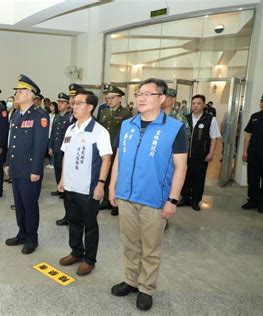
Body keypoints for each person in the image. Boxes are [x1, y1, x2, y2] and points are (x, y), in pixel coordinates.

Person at [109, 78, 188, 311]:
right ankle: (131, 281)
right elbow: (118, 158)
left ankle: (146, 288)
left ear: (161, 99)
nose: (141, 98)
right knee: (130, 244)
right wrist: (112, 187)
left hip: (154, 200)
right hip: (125, 196)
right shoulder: (127, 125)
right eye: (138, 94)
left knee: (151, 248)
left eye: (148, 94)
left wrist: (173, 200)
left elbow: (181, 167)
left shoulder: (174, 128)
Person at [57, 90, 112, 276]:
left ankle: (89, 259)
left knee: (90, 225)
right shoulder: (71, 129)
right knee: (73, 222)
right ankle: (76, 252)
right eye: (74, 103)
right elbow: (65, 155)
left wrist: (101, 184)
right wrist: (63, 179)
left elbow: (106, 159)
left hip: (88, 188)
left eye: (79, 103)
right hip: (70, 186)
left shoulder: (99, 131)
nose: (74, 106)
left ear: (90, 107)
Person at [5, 74, 49, 254]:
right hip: (16, 168)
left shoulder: (40, 115)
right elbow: (11, 142)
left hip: (30, 169)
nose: (16, 93)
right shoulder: (16, 115)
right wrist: (8, 163)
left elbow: (40, 145)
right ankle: (22, 233)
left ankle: (32, 238)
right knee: (20, 204)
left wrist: (36, 170)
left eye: (21, 91)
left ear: (31, 95)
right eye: (16, 91)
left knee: (30, 205)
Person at [178, 95, 221, 211]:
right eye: (193, 103)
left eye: (198, 103)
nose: (195, 106)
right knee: (185, 177)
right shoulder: (184, 118)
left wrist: (211, 153)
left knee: (199, 178)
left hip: (201, 155)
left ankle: (196, 200)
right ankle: (185, 197)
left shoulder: (210, 119)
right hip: (185, 155)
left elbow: (214, 137)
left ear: (203, 105)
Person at [98, 84, 132, 215]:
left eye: (112, 98)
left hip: (117, 150)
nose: (109, 100)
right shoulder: (104, 112)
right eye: (107, 98)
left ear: (119, 98)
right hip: (105, 150)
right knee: (105, 175)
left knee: (116, 177)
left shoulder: (126, 114)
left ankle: (115, 203)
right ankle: (106, 200)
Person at [49, 93, 74, 226]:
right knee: (58, 169)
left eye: (62, 102)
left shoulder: (71, 118)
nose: (59, 105)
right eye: (59, 102)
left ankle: (64, 189)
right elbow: (53, 133)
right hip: (58, 148)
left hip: (67, 150)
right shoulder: (58, 117)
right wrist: (51, 146)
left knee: (65, 172)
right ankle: (61, 187)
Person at [241, 92, 263, 213]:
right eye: (262, 101)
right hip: (254, 154)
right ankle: (253, 200)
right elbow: (248, 135)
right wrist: (245, 151)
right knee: (252, 179)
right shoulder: (255, 116)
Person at [46, 101, 58, 169]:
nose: (51, 107)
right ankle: (50, 162)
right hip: (48, 133)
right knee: (48, 148)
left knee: (52, 149)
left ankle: (52, 163)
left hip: (53, 134)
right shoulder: (48, 114)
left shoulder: (56, 115)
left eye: (52, 106)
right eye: (50, 106)